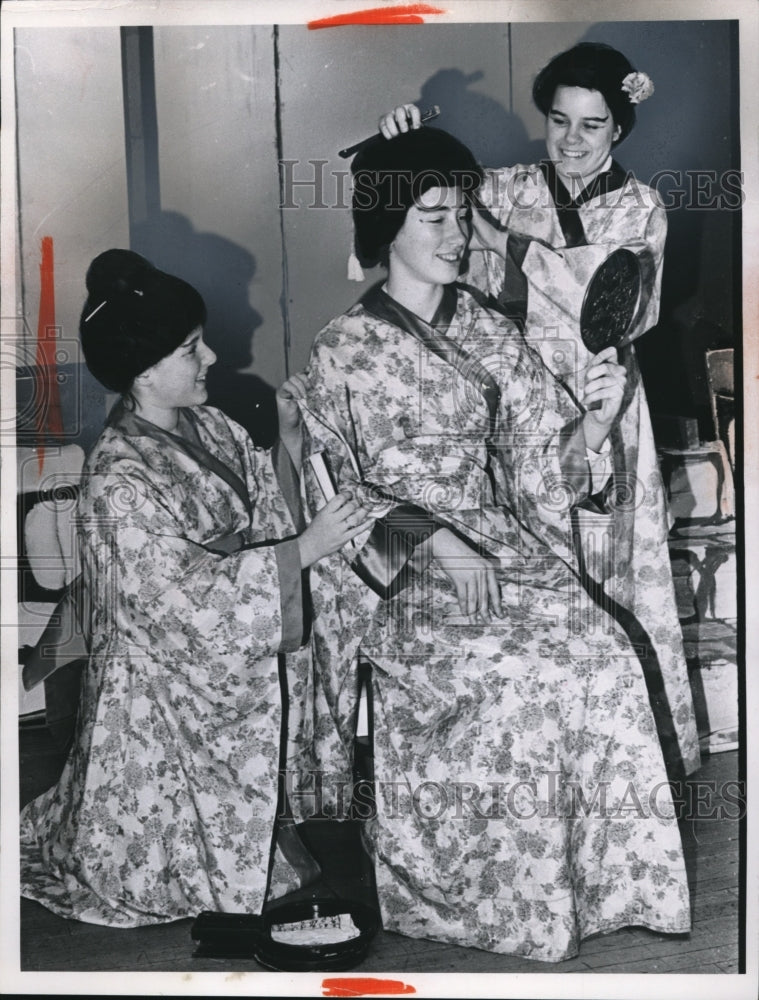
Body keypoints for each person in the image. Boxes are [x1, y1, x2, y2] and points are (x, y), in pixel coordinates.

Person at [297, 126, 691, 961]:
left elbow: (540, 456)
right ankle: (484, 897)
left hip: (501, 548)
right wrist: (431, 538)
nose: (457, 234)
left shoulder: (485, 330)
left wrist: (593, 420)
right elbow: (333, 491)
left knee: (601, 652)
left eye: (462, 214)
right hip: (400, 578)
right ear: (385, 230)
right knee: (517, 676)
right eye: (433, 216)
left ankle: (608, 889)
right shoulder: (341, 350)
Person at [19, 249, 371, 927]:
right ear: (144, 372)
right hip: (164, 688)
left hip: (221, 647)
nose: (210, 358)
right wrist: (304, 550)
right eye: (190, 349)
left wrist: (289, 447)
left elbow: (265, 506)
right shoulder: (118, 478)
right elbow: (176, 604)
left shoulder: (208, 424)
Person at [378, 42, 700, 780]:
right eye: (558, 121)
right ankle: (536, 762)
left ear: (618, 128)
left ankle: (632, 763)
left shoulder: (641, 206)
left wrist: (501, 243)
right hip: (516, 410)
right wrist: (403, 150)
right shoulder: (503, 186)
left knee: (615, 575)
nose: (571, 141)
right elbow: (413, 223)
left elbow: (612, 309)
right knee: (531, 572)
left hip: (603, 400)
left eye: (591, 126)